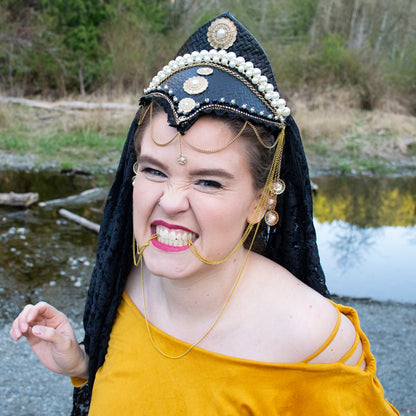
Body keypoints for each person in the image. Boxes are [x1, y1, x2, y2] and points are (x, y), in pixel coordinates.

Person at [10, 13, 398, 415]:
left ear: (261, 201)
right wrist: (82, 366)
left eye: (209, 182)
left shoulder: (311, 339)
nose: (172, 200)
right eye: (154, 170)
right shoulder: (130, 279)